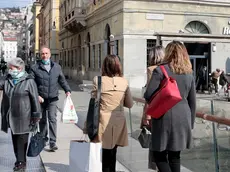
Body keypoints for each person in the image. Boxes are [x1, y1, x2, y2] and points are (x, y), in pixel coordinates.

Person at [144, 41, 196, 172]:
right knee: (175, 156)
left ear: (168, 53)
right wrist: (191, 123)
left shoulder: (160, 70)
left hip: (164, 116)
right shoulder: (189, 73)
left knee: (159, 154)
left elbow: (148, 95)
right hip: (184, 117)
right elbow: (192, 101)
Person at [85, 54, 133, 172]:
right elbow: (130, 104)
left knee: (105, 155)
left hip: (103, 120)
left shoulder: (98, 80)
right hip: (119, 120)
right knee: (113, 153)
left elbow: (94, 103)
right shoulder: (124, 82)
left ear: (105, 66)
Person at [0, 58, 41, 171]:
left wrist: (36, 116)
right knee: (15, 140)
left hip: (25, 117)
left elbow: (34, 100)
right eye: (9, 68)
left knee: (22, 141)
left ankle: (21, 163)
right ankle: (19, 160)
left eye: (11, 68)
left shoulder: (29, 81)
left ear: (19, 68)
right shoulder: (8, 80)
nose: (10, 70)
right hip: (12, 116)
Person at [30, 46, 71, 151]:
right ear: (40, 55)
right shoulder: (35, 68)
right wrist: (36, 95)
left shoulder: (57, 67)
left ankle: (52, 142)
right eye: (42, 54)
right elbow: (31, 83)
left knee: (52, 119)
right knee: (42, 120)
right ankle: (44, 139)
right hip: (40, 99)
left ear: (50, 54)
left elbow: (62, 80)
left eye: (46, 53)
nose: (44, 56)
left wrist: (67, 90)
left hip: (53, 98)